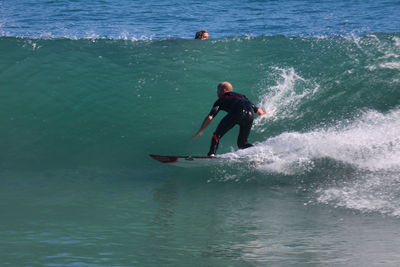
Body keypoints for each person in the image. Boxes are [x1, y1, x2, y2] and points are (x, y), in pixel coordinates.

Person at [191, 82, 266, 156]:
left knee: (217, 135)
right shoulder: (242, 97)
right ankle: (259, 153)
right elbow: (259, 111)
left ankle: (211, 155)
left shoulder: (221, 99)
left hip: (238, 112)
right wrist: (266, 113)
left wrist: (200, 131)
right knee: (242, 144)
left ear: (223, 90)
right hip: (250, 114)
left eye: (218, 90)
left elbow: (210, 117)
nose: (217, 92)